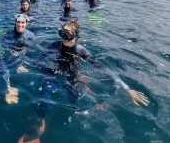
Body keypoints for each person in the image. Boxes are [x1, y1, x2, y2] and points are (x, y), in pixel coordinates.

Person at [19, 19, 149, 142]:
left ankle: (88, 92)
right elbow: (39, 60)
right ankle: (40, 121)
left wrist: (127, 88)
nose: (63, 37)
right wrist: (25, 65)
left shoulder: (80, 50)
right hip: (54, 71)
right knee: (45, 95)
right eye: (61, 33)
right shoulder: (53, 46)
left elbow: (104, 69)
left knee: (74, 98)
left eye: (67, 34)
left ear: (76, 37)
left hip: (73, 73)